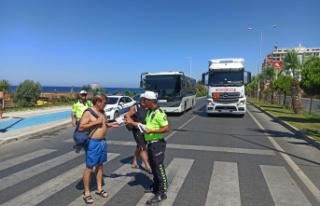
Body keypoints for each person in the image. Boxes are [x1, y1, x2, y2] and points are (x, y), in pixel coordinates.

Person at [79, 94, 118, 204]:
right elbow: (81, 127)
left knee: (100, 165)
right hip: (93, 143)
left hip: (102, 142)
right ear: (98, 102)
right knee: (89, 167)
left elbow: (103, 124)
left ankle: (99, 189)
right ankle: (86, 192)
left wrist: (110, 124)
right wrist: (96, 122)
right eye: (104, 103)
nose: (105, 105)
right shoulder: (88, 112)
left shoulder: (102, 112)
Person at [140, 91, 170, 205]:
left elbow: (166, 128)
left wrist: (152, 130)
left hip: (157, 144)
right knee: (153, 167)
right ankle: (156, 186)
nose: (143, 102)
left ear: (150, 101)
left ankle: (162, 192)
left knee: (159, 168)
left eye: (144, 100)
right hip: (150, 144)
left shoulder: (159, 113)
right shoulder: (149, 112)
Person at [125, 94, 151, 173]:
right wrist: (133, 123)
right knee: (143, 147)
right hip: (137, 131)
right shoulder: (136, 107)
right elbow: (127, 115)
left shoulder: (148, 107)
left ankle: (134, 162)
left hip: (144, 130)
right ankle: (147, 166)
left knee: (139, 146)